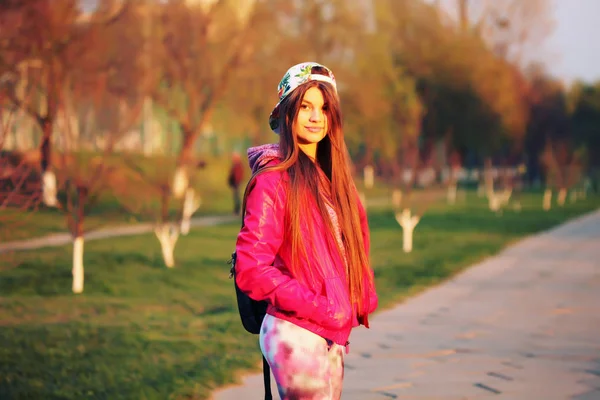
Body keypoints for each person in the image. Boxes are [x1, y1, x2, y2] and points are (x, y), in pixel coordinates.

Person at [234, 62, 378, 399]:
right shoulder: (273, 180)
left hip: (333, 332)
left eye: (325, 108)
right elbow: (251, 268)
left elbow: (355, 248)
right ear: (287, 113)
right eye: (306, 106)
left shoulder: (337, 183)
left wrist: (360, 294)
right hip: (294, 331)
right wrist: (319, 305)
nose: (316, 117)